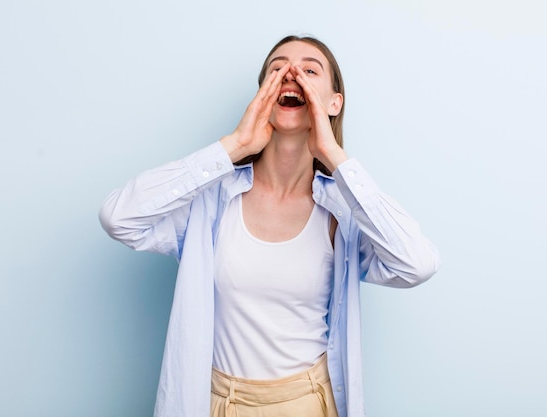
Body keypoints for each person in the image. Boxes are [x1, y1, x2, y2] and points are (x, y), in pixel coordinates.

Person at [99, 34, 440, 417]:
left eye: (310, 70)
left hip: (306, 402)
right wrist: (233, 146)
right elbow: (119, 218)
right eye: (277, 69)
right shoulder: (213, 200)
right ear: (262, 93)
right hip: (213, 402)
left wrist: (334, 156)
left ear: (334, 103)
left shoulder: (340, 213)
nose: (291, 76)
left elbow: (416, 264)